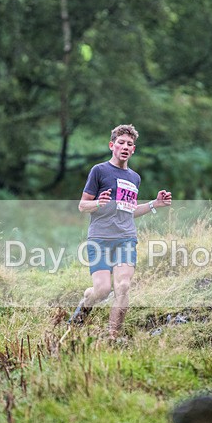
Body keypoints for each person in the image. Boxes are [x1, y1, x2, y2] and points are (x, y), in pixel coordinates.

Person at [70, 124, 172, 340]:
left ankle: (113, 336)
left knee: (123, 285)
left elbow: (130, 211)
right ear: (112, 145)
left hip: (126, 238)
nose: (125, 147)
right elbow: (82, 206)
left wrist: (155, 204)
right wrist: (99, 203)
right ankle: (85, 305)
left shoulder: (135, 178)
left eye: (129, 144)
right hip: (100, 237)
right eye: (121, 143)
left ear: (133, 150)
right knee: (102, 290)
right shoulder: (99, 171)